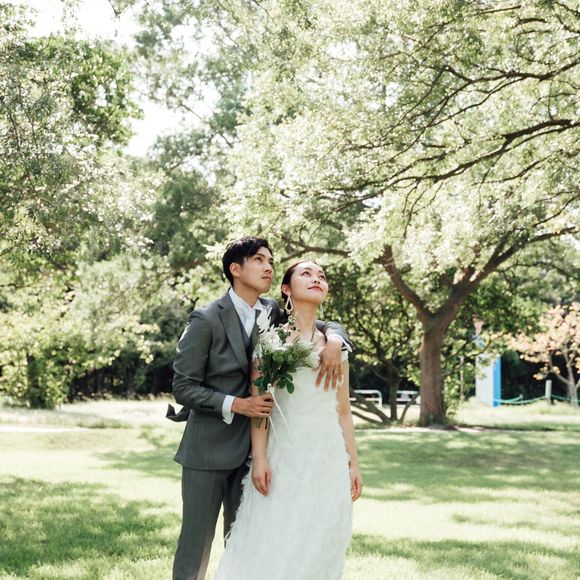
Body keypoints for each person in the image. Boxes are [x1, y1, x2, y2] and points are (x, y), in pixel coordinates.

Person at [168, 237, 352, 580]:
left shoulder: (272, 311)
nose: (268, 267)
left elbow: (315, 322)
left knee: (246, 545)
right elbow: (183, 386)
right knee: (196, 545)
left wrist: (335, 338)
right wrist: (238, 404)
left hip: (258, 452)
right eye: (259, 260)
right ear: (236, 269)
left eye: (270, 261)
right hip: (208, 449)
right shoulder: (206, 318)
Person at [214, 259, 363, 580]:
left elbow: (343, 410)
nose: (316, 279)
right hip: (284, 456)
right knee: (276, 536)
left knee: (319, 539)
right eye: (306, 274)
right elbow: (261, 407)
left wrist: (352, 463)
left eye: (321, 275)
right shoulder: (270, 343)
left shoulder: (335, 347)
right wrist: (260, 459)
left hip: (326, 457)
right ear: (286, 289)